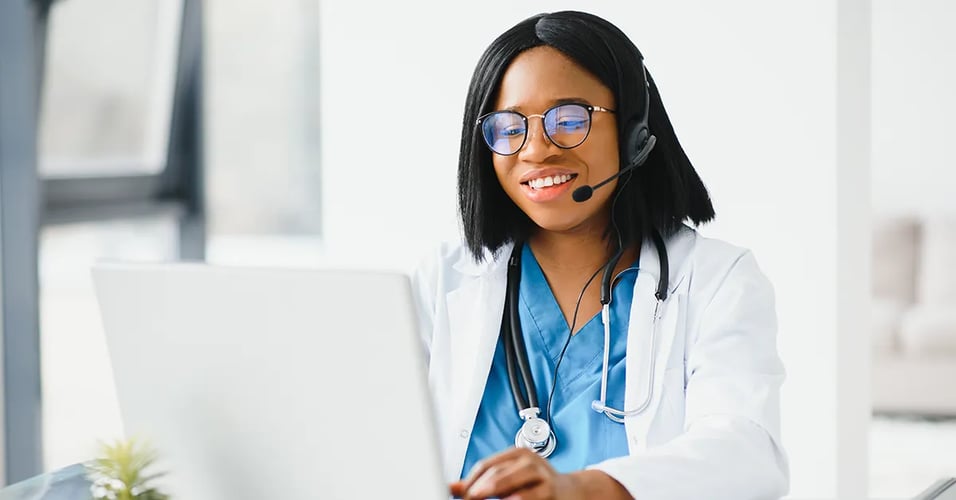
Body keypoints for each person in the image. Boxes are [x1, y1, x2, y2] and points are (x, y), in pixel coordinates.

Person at [411, 10, 788, 500]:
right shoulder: (442, 280)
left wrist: (581, 489)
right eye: (507, 128)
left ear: (635, 131)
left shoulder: (716, 280)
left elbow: (746, 453)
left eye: (568, 119)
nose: (537, 149)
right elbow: (374, 439)